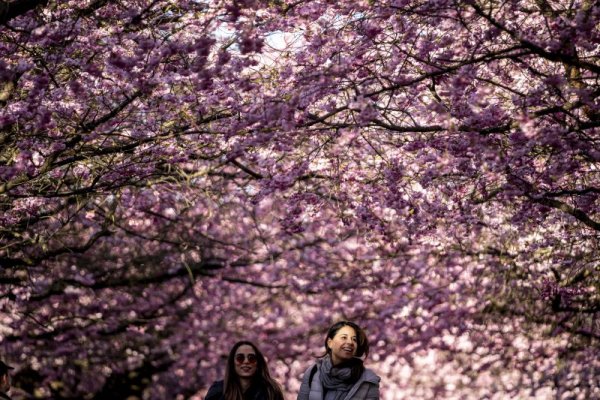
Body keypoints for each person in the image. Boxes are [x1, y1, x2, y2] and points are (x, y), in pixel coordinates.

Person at [297, 321, 380, 400]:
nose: (350, 342)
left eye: (354, 339)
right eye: (344, 337)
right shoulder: (313, 372)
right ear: (330, 343)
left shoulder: (368, 380)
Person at [204, 340, 284, 400]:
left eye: (251, 358)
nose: (246, 362)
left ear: (258, 363)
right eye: (240, 358)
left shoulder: (271, 391)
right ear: (232, 363)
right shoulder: (218, 391)